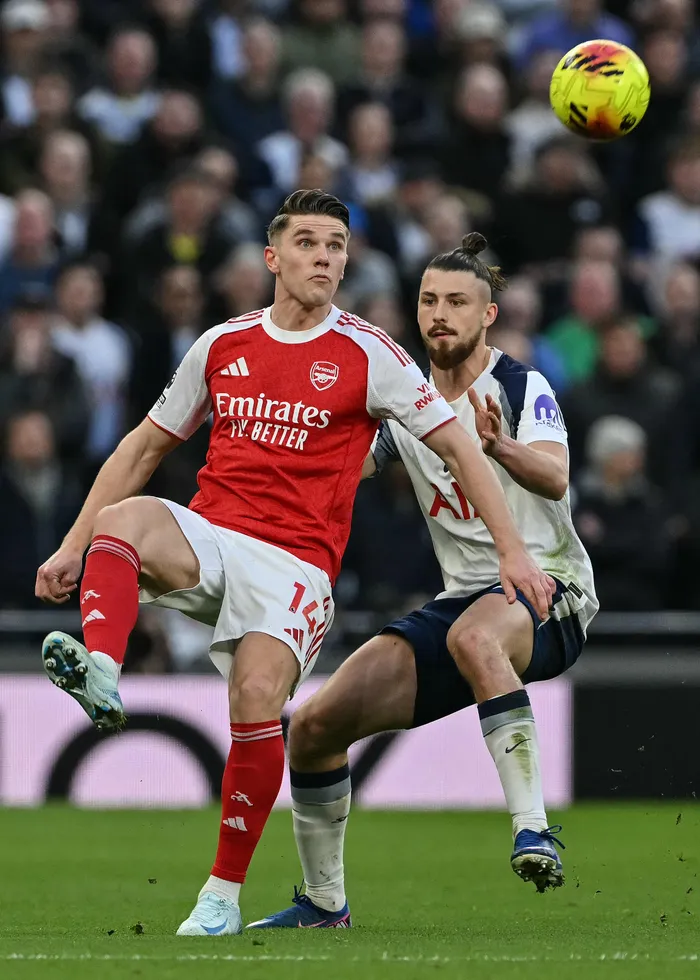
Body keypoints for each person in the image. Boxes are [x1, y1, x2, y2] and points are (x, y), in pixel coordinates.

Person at [34, 193, 554, 937]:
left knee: (254, 699)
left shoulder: (371, 353)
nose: (325, 257)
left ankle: (220, 898)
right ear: (272, 258)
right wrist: (70, 544)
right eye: (308, 242)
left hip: (295, 569)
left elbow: (459, 448)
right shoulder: (222, 343)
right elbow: (143, 447)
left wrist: (510, 550)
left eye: (336, 245)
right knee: (122, 521)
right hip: (213, 537)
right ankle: (104, 673)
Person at [248, 233, 598, 930]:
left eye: (458, 302)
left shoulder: (519, 386)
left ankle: (532, 829)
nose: (441, 314)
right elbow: (340, 470)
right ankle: (324, 904)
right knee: (313, 727)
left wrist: (499, 447)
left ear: (488, 315)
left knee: (475, 637)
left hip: (548, 589)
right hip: (461, 605)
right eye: (430, 300)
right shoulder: (406, 401)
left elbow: (557, 476)